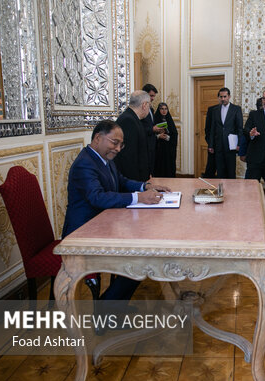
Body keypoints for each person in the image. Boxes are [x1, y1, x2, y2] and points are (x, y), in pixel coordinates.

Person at [62, 120, 170, 301]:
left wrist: (145, 186)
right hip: (84, 234)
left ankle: (112, 309)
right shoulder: (85, 163)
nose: (118, 148)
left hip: (104, 225)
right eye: (114, 142)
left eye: (121, 144)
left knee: (142, 253)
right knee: (140, 259)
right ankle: (105, 311)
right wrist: (138, 197)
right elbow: (98, 197)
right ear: (98, 138)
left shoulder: (103, 158)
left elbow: (121, 181)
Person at [115, 91, 154, 182]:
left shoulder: (133, 118)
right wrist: (136, 184)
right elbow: (129, 157)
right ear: (144, 105)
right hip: (132, 179)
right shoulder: (128, 120)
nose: (149, 109)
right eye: (149, 105)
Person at [208, 88, 244, 179]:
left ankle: (231, 192)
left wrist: (239, 144)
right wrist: (211, 145)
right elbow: (212, 128)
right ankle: (221, 192)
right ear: (219, 97)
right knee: (220, 171)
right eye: (221, 97)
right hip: (218, 145)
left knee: (231, 172)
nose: (223, 99)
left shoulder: (236, 109)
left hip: (231, 146)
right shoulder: (215, 110)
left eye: (225, 96)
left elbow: (240, 128)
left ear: (229, 97)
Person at [142, 84, 166, 175]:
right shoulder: (141, 109)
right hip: (145, 145)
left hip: (152, 145)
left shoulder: (151, 109)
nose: (152, 98)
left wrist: (157, 131)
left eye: (154, 96)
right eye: (151, 95)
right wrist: (152, 129)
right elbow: (140, 127)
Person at [153, 103, 178, 177]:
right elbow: (149, 134)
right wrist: (158, 136)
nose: (164, 111)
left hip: (168, 149)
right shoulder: (154, 119)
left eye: (165, 109)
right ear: (159, 110)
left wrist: (168, 137)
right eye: (162, 109)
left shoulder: (169, 119)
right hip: (158, 149)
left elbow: (174, 134)